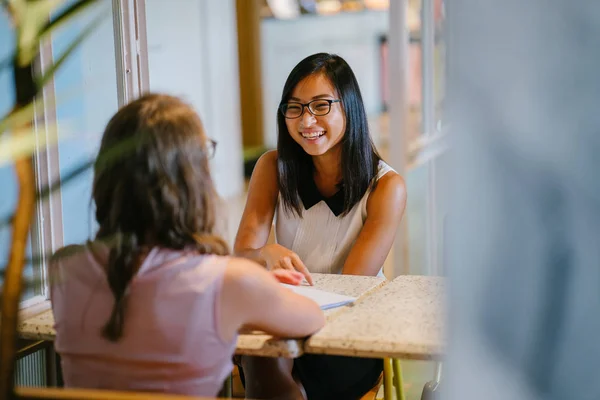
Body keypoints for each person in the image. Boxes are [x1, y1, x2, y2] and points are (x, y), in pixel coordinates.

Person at [49, 93, 325, 398]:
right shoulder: (229, 281)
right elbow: (312, 317)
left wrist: (250, 292)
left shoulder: (64, 267)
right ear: (191, 180)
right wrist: (255, 293)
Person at [234, 53, 407, 399]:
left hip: (349, 331)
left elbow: (349, 289)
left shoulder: (386, 188)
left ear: (350, 107)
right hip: (281, 322)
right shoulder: (272, 167)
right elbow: (241, 257)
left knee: (270, 359)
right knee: (261, 352)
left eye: (321, 105)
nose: (306, 120)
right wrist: (265, 254)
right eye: (294, 107)